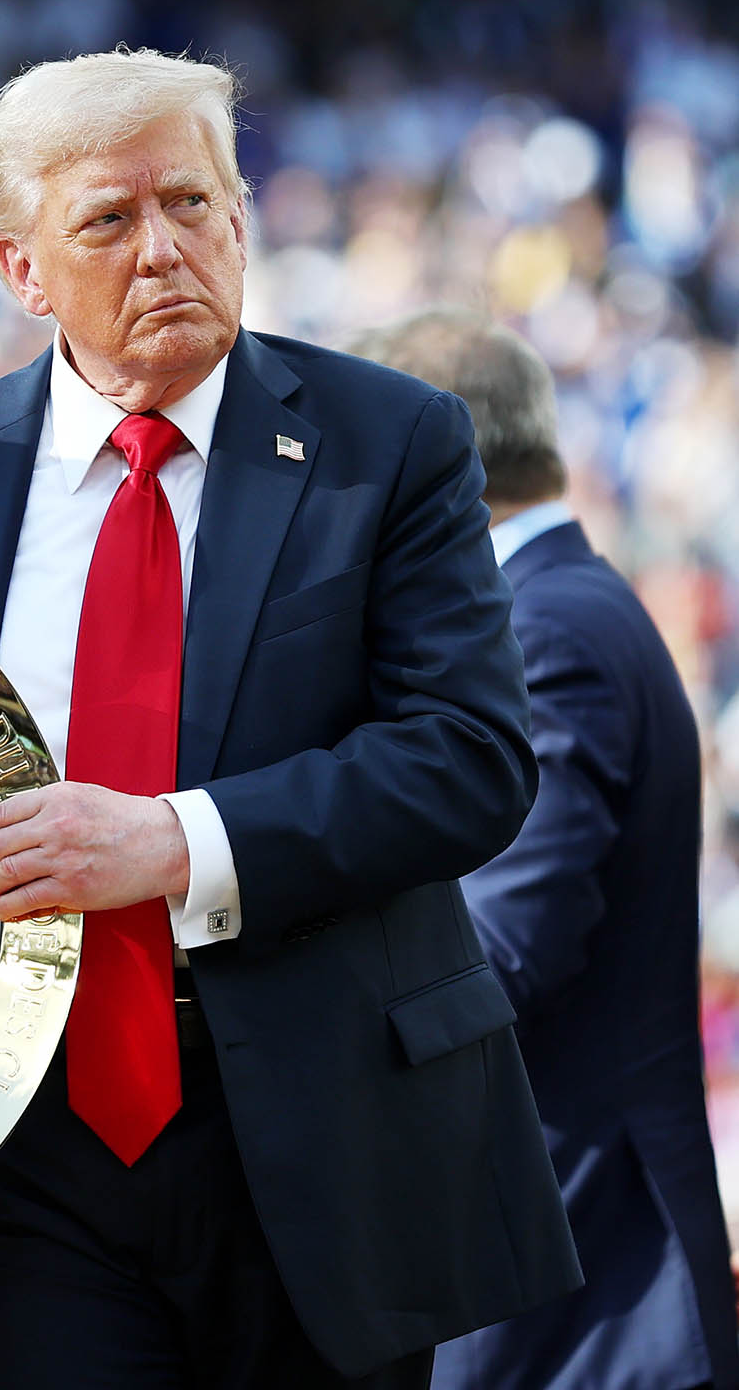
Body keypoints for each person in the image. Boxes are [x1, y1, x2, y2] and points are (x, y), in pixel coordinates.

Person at [0, 48, 582, 1388]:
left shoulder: (390, 443)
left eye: (195, 204)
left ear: (243, 219)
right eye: (110, 218)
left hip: (314, 1129)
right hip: (5, 1138)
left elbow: (468, 758)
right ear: (22, 270)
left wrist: (175, 842)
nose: (164, 249)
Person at [351, 310, 739, 1390]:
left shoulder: (544, 627)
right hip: (572, 1278)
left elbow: (498, 950)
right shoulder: (564, 604)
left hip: (584, 1286)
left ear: (430, 471)